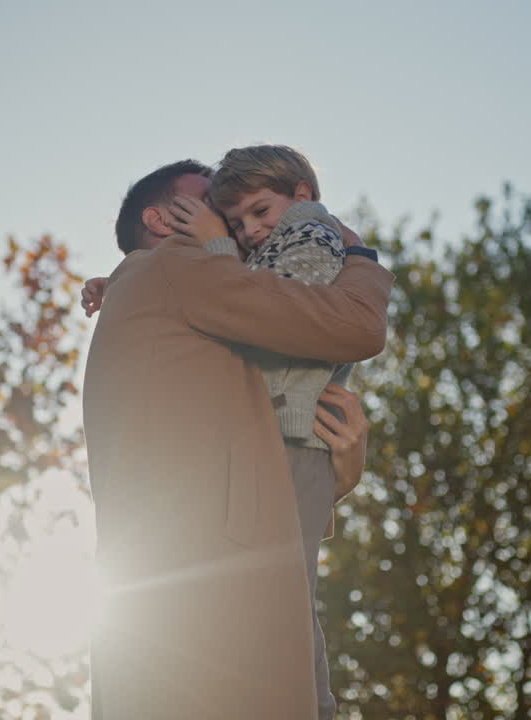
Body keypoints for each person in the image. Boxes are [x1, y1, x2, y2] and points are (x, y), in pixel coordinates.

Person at [82, 159, 392, 719]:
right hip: (219, 603)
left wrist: (333, 475)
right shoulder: (173, 269)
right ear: (160, 219)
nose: (229, 223)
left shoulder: (150, 295)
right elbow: (356, 325)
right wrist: (360, 257)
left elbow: (231, 437)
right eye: (210, 205)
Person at [165, 144, 364, 719]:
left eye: (259, 211)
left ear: (301, 193)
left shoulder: (312, 232)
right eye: (239, 222)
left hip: (297, 442)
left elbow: (271, 312)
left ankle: (312, 708)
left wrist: (217, 245)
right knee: (276, 598)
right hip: (277, 442)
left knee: (284, 601)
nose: (250, 231)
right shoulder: (282, 242)